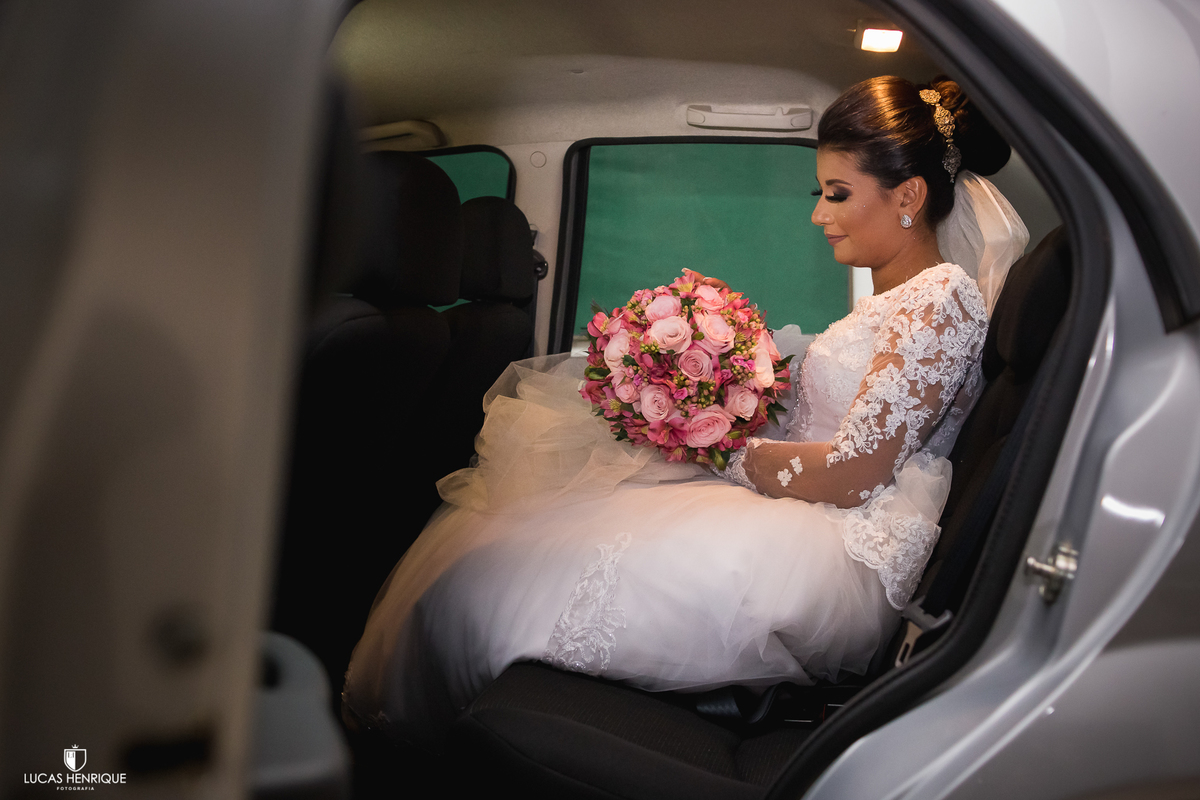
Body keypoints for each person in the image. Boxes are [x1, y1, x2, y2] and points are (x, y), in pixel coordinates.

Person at [342, 75, 1028, 748]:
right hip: (802, 498)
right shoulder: (893, 301)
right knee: (520, 537)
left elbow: (855, 472)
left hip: (839, 534)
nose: (819, 215)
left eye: (838, 194)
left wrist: (722, 453)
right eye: (819, 193)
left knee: (526, 568)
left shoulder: (940, 297)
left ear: (908, 196)